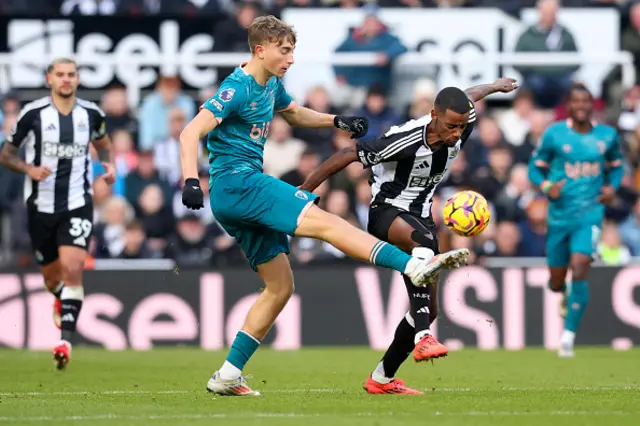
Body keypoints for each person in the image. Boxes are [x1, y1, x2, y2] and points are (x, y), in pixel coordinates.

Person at [179, 15, 445, 397]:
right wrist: (190, 180)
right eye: (284, 51)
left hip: (237, 195)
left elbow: (295, 113)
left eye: (292, 51)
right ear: (260, 50)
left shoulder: (270, 84)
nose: (290, 59)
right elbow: (191, 132)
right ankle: (412, 265)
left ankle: (227, 374)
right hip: (239, 184)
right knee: (327, 224)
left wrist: (336, 121)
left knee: (280, 286)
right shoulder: (236, 88)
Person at [300, 78, 519, 394]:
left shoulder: (460, 126)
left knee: (429, 310)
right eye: (451, 126)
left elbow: (467, 97)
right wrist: (305, 190)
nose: (457, 134)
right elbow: (349, 153)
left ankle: (382, 378)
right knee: (426, 246)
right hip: (386, 213)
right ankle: (423, 338)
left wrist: (494, 86)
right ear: (433, 115)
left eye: (461, 127)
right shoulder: (406, 141)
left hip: (421, 218)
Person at [0, 58, 115, 369]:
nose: (66, 80)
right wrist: (29, 168)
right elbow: (6, 154)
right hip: (40, 206)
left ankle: (64, 341)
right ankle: (58, 295)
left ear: (78, 79)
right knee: (52, 277)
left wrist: (109, 165)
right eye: (60, 75)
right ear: (49, 78)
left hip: (78, 202)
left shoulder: (92, 114)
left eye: (71, 75)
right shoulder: (32, 114)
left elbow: (103, 143)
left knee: (73, 266)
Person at [528, 82, 623, 358]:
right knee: (556, 282)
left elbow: (616, 166)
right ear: (568, 105)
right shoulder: (555, 135)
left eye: (586, 101)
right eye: (576, 101)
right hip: (559, 217)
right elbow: (535, 168)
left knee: (581, 263)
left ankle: (567, 338)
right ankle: (563, 292)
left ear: (592, 105)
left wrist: (611, 187)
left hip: (590, 214)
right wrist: (547, 187)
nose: (581, 106)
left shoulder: (607, 136)